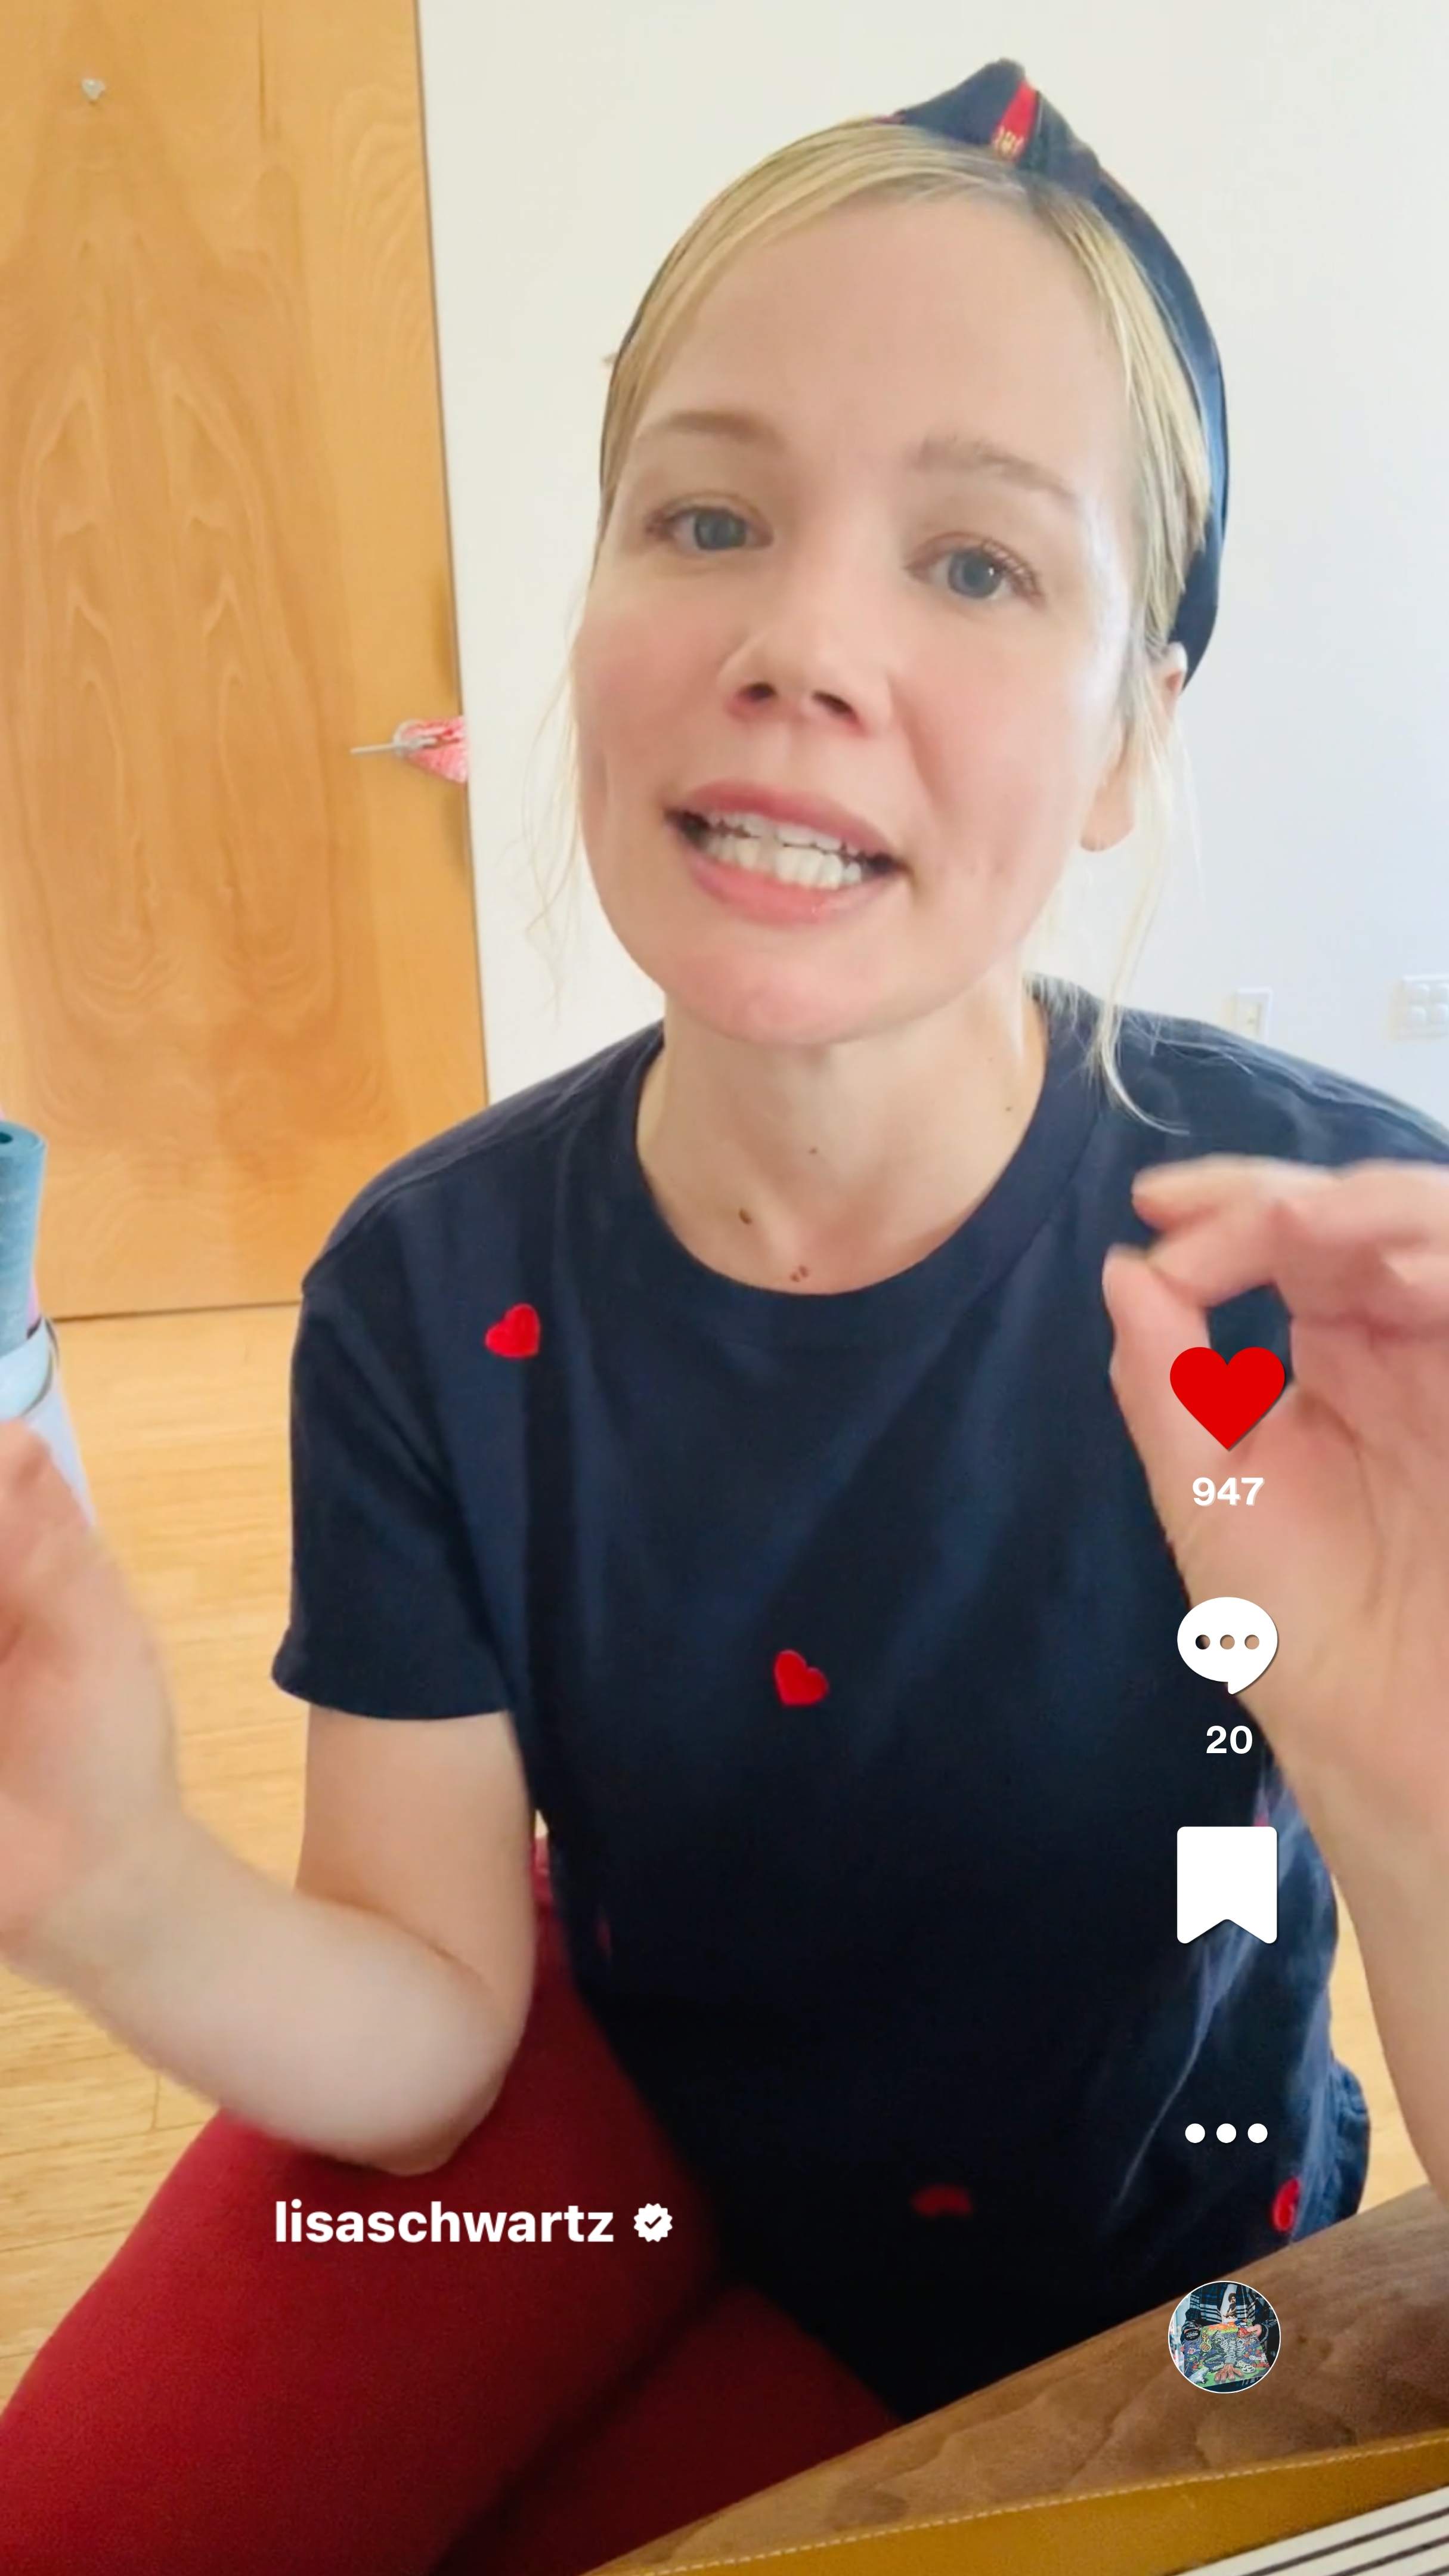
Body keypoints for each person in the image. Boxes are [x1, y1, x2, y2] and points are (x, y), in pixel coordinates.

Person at [4, 49, 1449, 2576]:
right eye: (707, 517)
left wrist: (1384, 1737)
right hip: (638, 2137)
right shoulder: (430, 1291)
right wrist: (112, 1876)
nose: (801, 641)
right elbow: (430, 2029)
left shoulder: (1328, 1266)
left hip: (1145, 2274)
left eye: (976, 565)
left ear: (1134, 735)